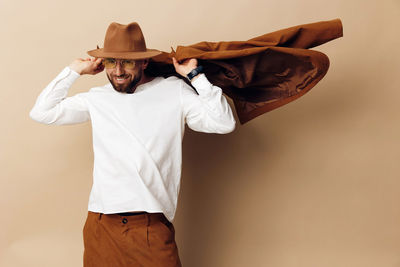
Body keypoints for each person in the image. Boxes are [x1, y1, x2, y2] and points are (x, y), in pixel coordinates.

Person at [29, 21, 236, 267]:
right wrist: (74, 70)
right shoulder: (98, 99)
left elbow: (224, 123)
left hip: (150, 228)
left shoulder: (174, 92)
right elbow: (42, 112)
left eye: (126, 62)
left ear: (144, 61)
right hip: (101, 227)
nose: (118, 71)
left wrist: (195, 76)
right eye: (110, 62)